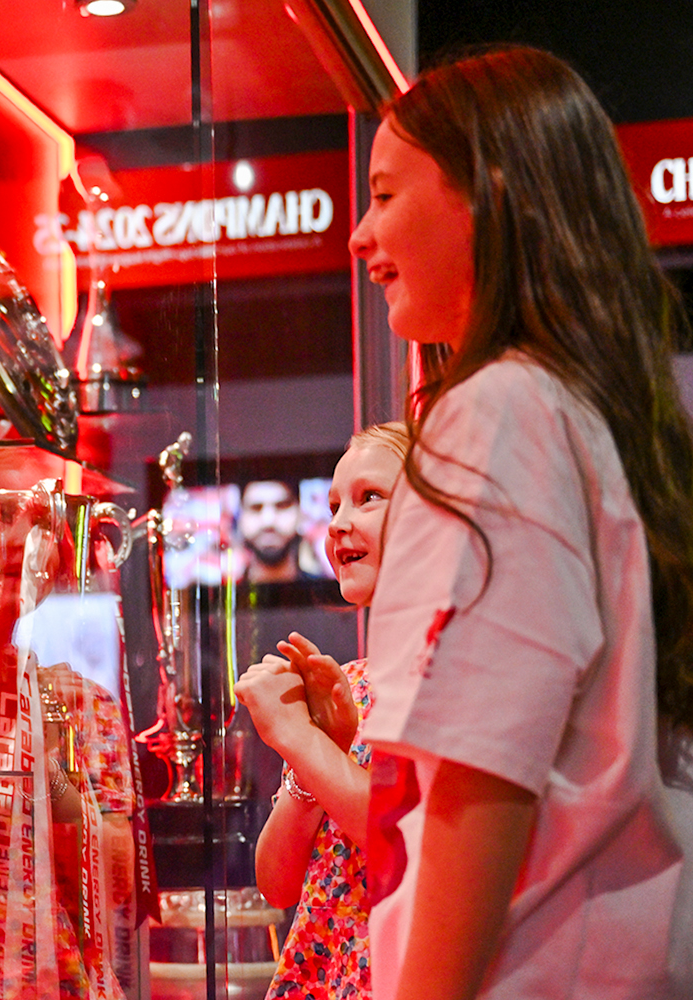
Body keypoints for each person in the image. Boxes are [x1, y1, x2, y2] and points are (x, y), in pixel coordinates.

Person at [347, 46, 693, 1000]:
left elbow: (481, 777)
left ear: (489, 192)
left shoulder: (497, 411)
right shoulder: (590, 413)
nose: (359, 237)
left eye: (384, 195)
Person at [238, 421, 408, 999]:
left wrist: (296, 735)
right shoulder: (350, 682)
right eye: (335, 505)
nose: (338, 524)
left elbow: (398, 836)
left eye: (369, 498)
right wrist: (314, 752)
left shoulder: (449, 673)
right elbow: (278, 884)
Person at [239, 478, 307, 583]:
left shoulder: (323, 594)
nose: (268, 521)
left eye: (282, 506)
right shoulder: (223, 595)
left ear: (300, 513)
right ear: (240, 517)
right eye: (256, 508)